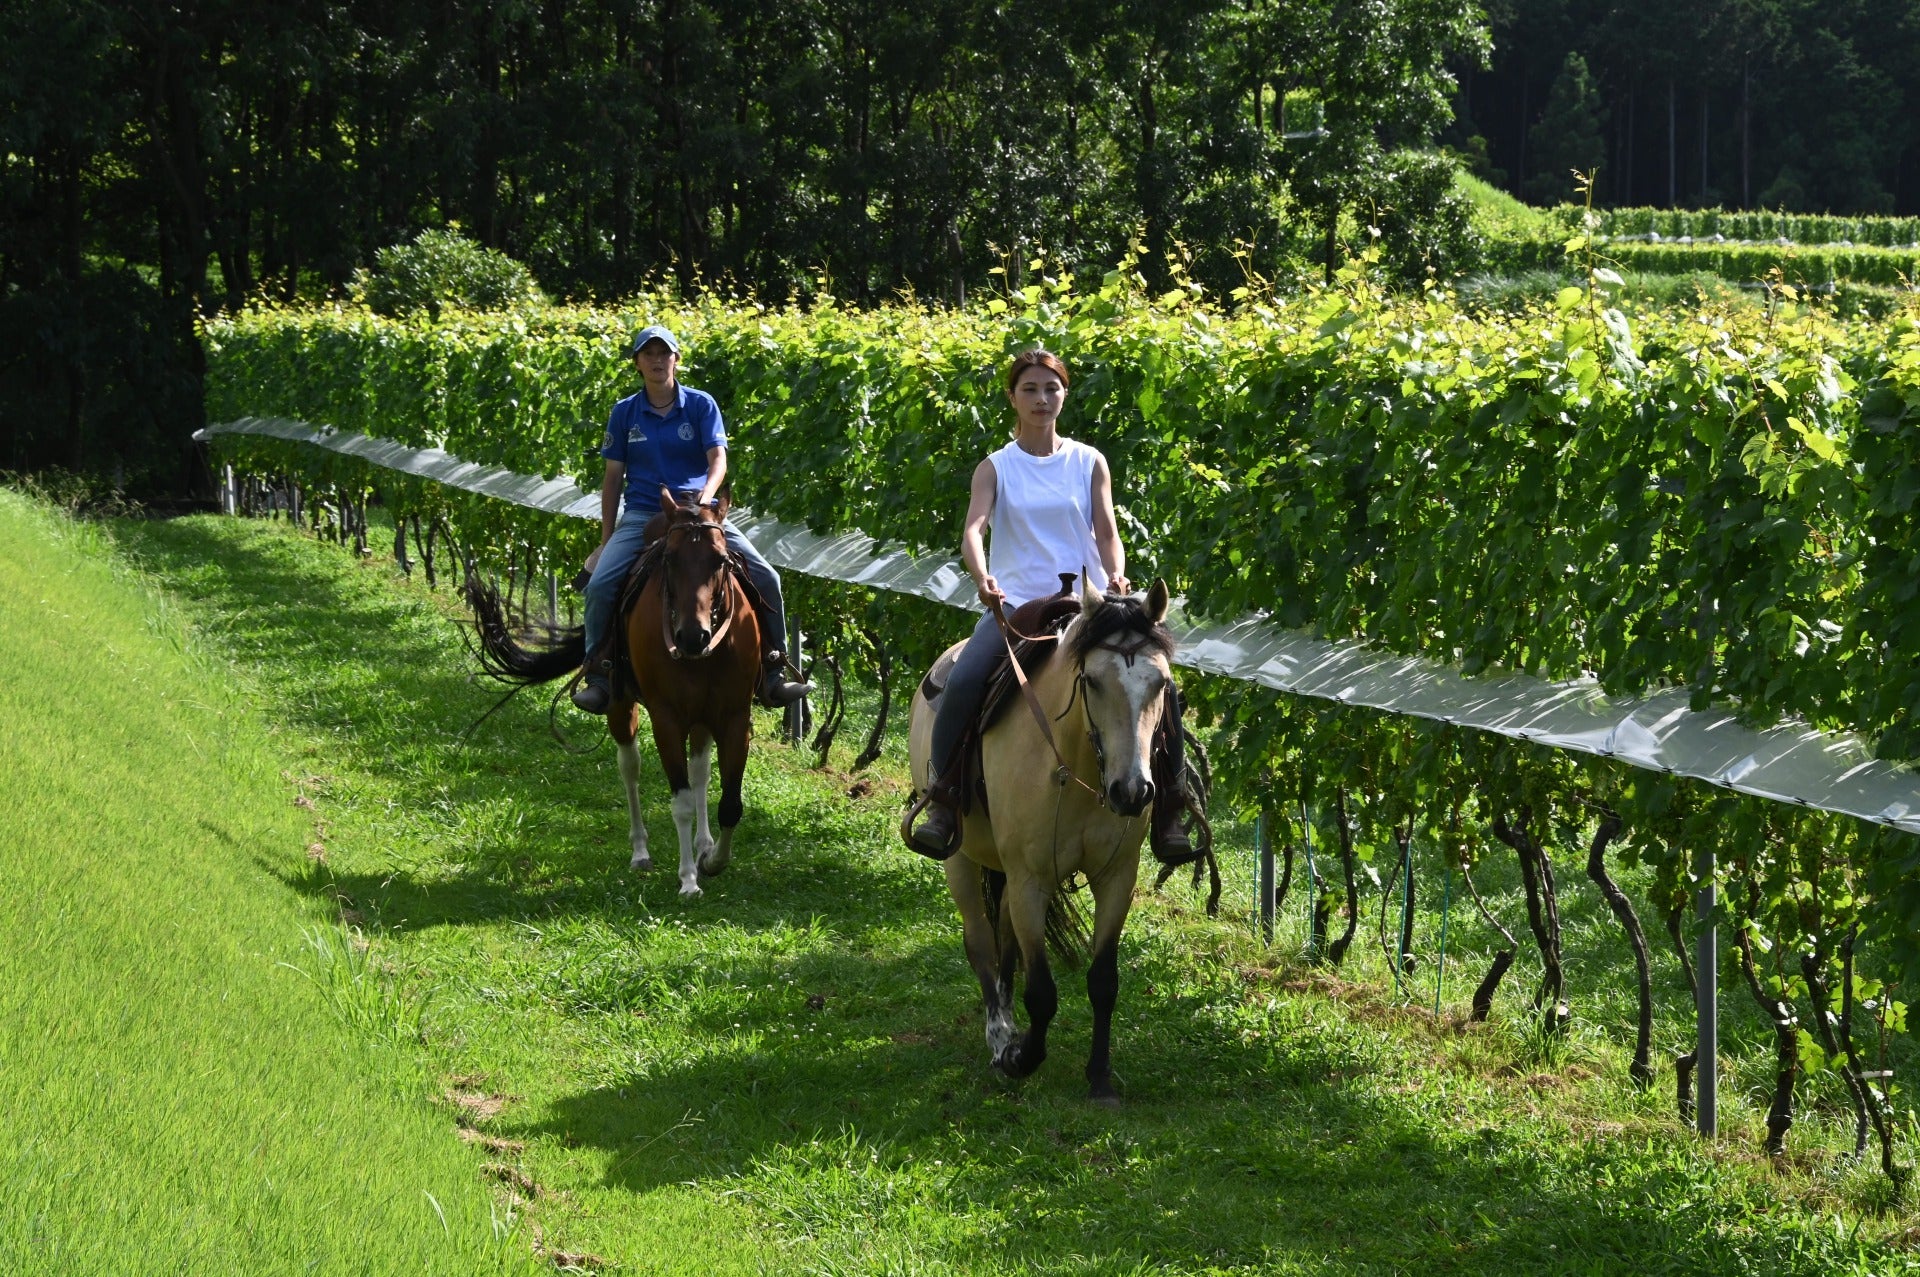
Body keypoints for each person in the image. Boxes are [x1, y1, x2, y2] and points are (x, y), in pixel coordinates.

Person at [908, 348, 1190, 862]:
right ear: (1013, 398)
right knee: (967, 679)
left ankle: (1171, 807)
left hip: (1091, 608)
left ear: (1064, 394)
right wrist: (982, 574)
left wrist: (1116, 572)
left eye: (1051, 388)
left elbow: (1107, 530)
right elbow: (974, 528)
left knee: (1158, 685)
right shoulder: (995, 467)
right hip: (1018, 606)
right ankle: (943, 800)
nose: (1042, 399)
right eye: (1031, 389)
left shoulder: (1089, 461)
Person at [573, 324, 811, 713]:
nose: (656, 360)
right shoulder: (623, 413)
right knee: (600, 586)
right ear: (637, 363)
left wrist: (704, 500)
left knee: (768, 576)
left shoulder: (701, 405)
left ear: (676, 360)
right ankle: (599, 675)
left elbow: (718, 460)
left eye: (664, 353)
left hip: (699, 514)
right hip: (643, 515)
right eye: (648, 354)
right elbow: (613, 478)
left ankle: (773, 670)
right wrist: (605, 539)